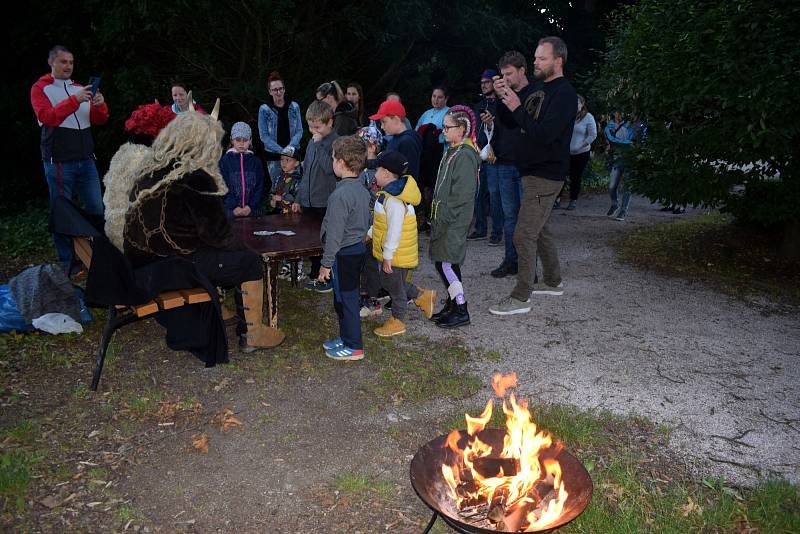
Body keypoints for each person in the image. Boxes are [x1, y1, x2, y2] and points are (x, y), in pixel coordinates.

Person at [110, 103, 285, 352]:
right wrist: (242, 244)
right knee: (248, 260)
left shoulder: (150, 170)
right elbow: (216, 234)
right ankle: (253, 333)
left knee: (219, 252)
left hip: (148, 264)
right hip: (174, 266)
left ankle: (221, 311)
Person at [489, 37, 577, 316]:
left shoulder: (564, 94)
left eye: (541, 58)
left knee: (523, 234)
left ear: (558, 61)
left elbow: (544, 135)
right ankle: (553, 281)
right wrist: (506, 97)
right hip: (530, 171)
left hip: (545, 173)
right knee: (539, 230)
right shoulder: (540, 88)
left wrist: (516, 106)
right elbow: (510, 121)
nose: (536, 62)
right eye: (536, 58)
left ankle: (521, 296)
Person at [31, 44, 109, 271]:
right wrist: (74, 100)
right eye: (63, 61)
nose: (68, 66)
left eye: (71, 62)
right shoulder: (40, 89)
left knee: (96, 207)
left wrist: (100, 104)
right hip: (59, 162)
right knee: (63, 211)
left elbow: (99, 120)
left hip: (86, 160)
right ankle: (68, 261)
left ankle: (99, 254)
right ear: (51, 62)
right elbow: (47, 117)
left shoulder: (79, 87)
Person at [365, 150, 436, 337]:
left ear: (386, 174)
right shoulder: (387, 194)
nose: (374, 174)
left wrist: (388, 256)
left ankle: (398, 321)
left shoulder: (395, 200)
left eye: (377, 170)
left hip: (396, 252)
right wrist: (370, 234)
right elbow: (382, 223)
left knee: (395, 288)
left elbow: (394, 230)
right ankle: (423, 296)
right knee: (392, 282)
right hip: (392, 251)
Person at [318, 136, 372, 361]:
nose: (332, 163)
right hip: (356, 250)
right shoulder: (362, 188)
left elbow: (335, 235)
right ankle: (345, 338)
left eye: (332, 158)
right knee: (341, 298)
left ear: (340, 162)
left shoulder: (340, 195)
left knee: (347, 300)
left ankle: (354, 347)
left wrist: (325, 263)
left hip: (344, 254)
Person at [429, 106, 480, 328]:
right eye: (443, 127)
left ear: (461, 129)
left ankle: (461, 308)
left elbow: (462, 195)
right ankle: (452, 303)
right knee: (441, 261)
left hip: (454, 219)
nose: (443, 131)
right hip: (444, 216)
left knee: (447, 263)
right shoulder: (452, 151)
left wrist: (445, 215)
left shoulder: (466, 156)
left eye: (447, 127)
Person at [482, 53, 527, 279]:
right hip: (503, 163)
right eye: (503, 75)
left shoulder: (532, 94)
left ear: (522, 70)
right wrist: (490, 124)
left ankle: (528, 267)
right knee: (510, 217)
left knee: (528, 218)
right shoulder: (499, 100)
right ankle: (511, 261)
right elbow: (501, 127)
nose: (506, 79)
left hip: (527, 165)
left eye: (509, 74)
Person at [292, 100, 339, 291]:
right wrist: (298, 198)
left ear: (329, 123)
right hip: (309, 201)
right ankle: (314, 273)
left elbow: (330, 169)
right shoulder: (312, 142)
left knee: (325, 240)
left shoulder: (335, 142)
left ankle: (327, 277)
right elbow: (306, 174)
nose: (313, 131)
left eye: (317, 126)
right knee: (310, 239)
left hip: (325, 201)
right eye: (310, 126)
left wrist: (319, 146)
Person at [468, 69, 502, 244]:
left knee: (495, 195)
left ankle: (497, 233)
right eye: (482, 83)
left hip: (496, 157)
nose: (484, 85)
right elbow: (474, 129)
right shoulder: (479, 106)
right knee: (478, 193)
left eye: (487, 82)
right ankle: (480, 228)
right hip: (479, 154)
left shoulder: (501, 106)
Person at [258, 71, 304, 183]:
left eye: (281, 88)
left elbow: (299, 130)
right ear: (270, 91)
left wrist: (290, 148)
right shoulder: (264, 109)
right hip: (274, 157)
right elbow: (264, 136)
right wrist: (282, 151)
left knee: (294, 189)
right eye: (275, 90)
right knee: (277, 190)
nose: (278, 92)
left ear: (284, 89)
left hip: (293, 156)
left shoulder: (294, 106)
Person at [416, 87, 450, 232]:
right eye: (434, 96)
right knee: (425, 187)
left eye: (440, 97)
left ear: (446, 99)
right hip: (426, 156)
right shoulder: (426, 114)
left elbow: (448, 135)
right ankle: (425, 217)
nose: (436, 100)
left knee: (438, 188)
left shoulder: (450, 113)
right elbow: (417, 131)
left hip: (440, 156)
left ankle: (436, 220)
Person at [219, 122, 265, 219]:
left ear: (250, 140)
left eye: (245, 140)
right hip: (230, 212)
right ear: (232, 140)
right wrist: (234, 206)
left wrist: (250, 207)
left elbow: (260, 187)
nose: (241, 143)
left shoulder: (256, 162)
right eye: (238, 139)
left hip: (253, 212)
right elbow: (221, 185)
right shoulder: (225, 161)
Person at [559, 94, 597, 211]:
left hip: (581, 153)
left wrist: (581, 145)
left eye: (577, 103)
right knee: (560, 176)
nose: (575, 105)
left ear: (582, 104)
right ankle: (557, 199)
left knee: (575, 177)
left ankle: (573, 200)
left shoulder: (588, 117)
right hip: (566, 152)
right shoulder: (567, 116)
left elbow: (593, 135)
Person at [369, 99, 422, 181]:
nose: (382, 127)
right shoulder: (395, 138)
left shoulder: (407, 142)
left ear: (396, 120)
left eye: (384, 122)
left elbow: (410, 175)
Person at [604, 111, 638, 221]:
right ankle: (615, 204)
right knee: (611, 186)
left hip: (630, 159)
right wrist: (628, 143)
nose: (620, 114)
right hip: (617, 159)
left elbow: (638, 141)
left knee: (628, 186)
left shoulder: (631, 125)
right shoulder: (610, 125)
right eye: (617, 112)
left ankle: (623, 211)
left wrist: (628, 142)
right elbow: (611, 139)